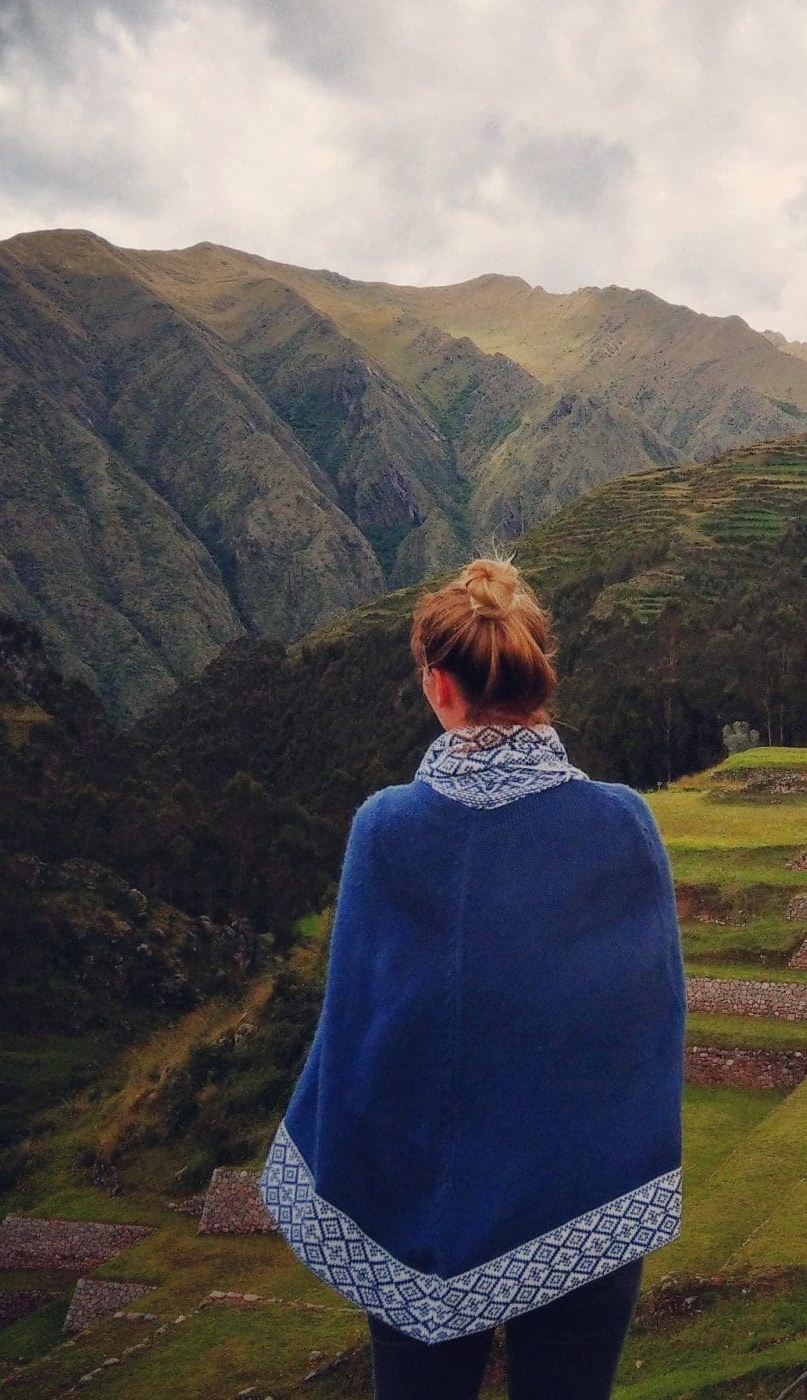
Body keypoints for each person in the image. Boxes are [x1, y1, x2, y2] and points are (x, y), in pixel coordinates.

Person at [258, 554, 686, 1400]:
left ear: (439, 686)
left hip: (414, 1199)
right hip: (583, 1193)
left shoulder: (385, 828)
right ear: (535, 678)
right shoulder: (620, 822)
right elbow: (649, 1017)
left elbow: (360, 1032)